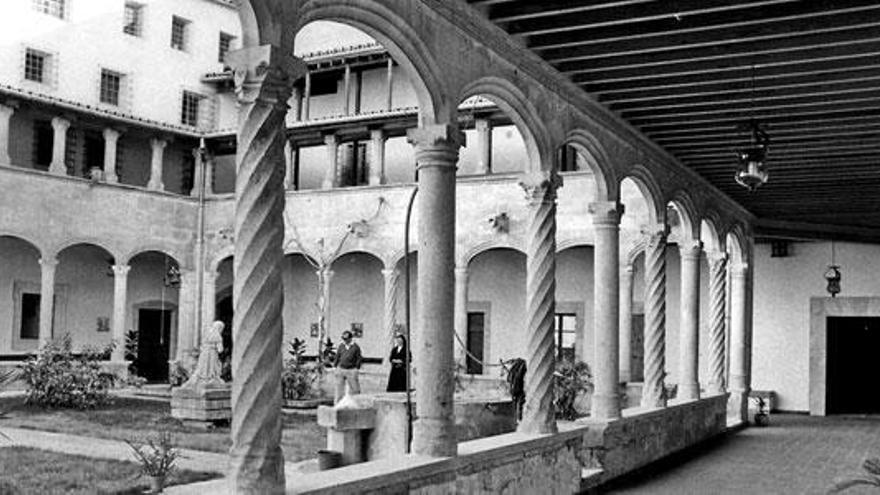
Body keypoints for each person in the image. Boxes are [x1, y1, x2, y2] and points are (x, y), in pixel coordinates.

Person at [182, 320, 225, 389]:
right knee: (211, 367)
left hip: (204, 353)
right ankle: (209, 378)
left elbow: (202, 344)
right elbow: (220, 349)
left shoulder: (207, 334)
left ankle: (203, 378)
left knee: (203, 366)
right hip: (212, 353)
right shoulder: (217, 336)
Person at [333, 330, 362, 402]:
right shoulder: (341, 346)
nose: (344, 340)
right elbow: (337, 356)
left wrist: (357, 368)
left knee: (355, 389)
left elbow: (359, 358)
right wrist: (335, 366)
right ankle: (337, 404)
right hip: (341, 368)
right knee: (339, 389)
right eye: (343, 339)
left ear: (350, 338)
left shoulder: (355, 347)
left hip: (351, 369)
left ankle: (356, 403)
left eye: (346, 339)